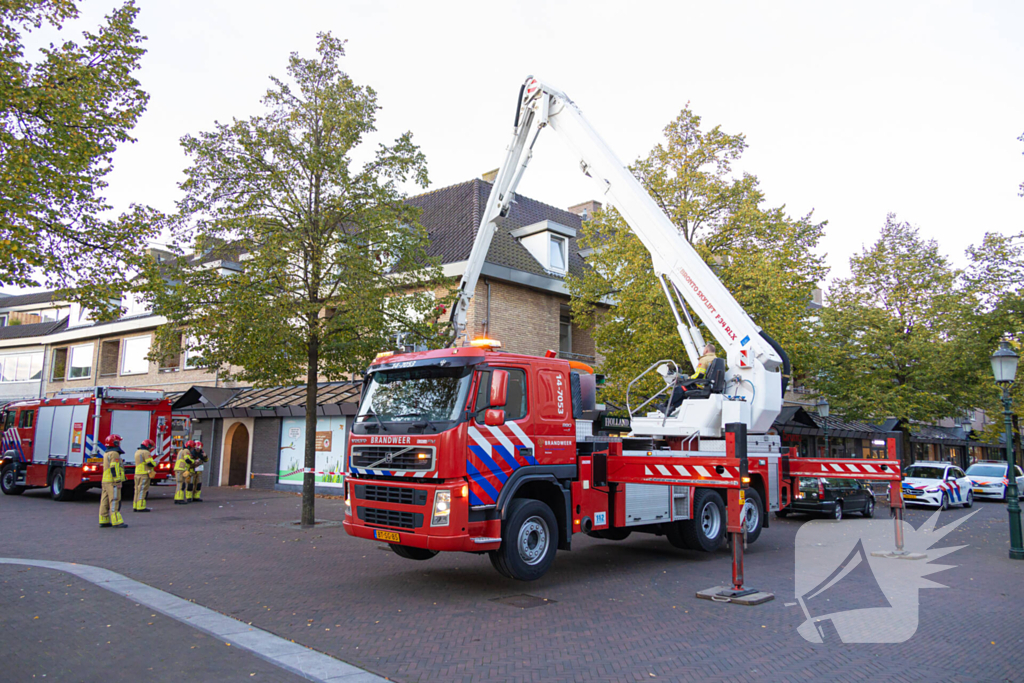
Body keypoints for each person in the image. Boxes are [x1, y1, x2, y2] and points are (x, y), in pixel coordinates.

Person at [99, 434, 127, 528]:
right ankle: (117, 521)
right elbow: (114, 467)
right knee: (115, 500)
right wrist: (117, 481)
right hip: (112, 482)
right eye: (118, 442)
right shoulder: (114, 454)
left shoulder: (106, 453)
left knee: (104, 501)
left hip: (105, 480)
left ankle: (104, 520)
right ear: (115, 443)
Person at [133, 438, 156, 512]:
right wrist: (155, 463)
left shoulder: (137, 451)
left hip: (137, 473)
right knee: (143, 490)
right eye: (150, 447)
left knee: (137, 490)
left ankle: (135, 506)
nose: (150, 449)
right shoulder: (146, 452)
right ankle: (141, 506)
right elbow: (149, 463)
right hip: (144, 473)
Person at [174, 440, 195, 505]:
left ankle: (177, 498)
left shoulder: (181, 450)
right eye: (192, 447)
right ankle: (179, 499)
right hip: (181, 469)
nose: (192, 449)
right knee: (181, 484)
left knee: (179, 484)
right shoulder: (186, 451)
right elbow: (187, 459)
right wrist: (194, 461)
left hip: (179, 469)